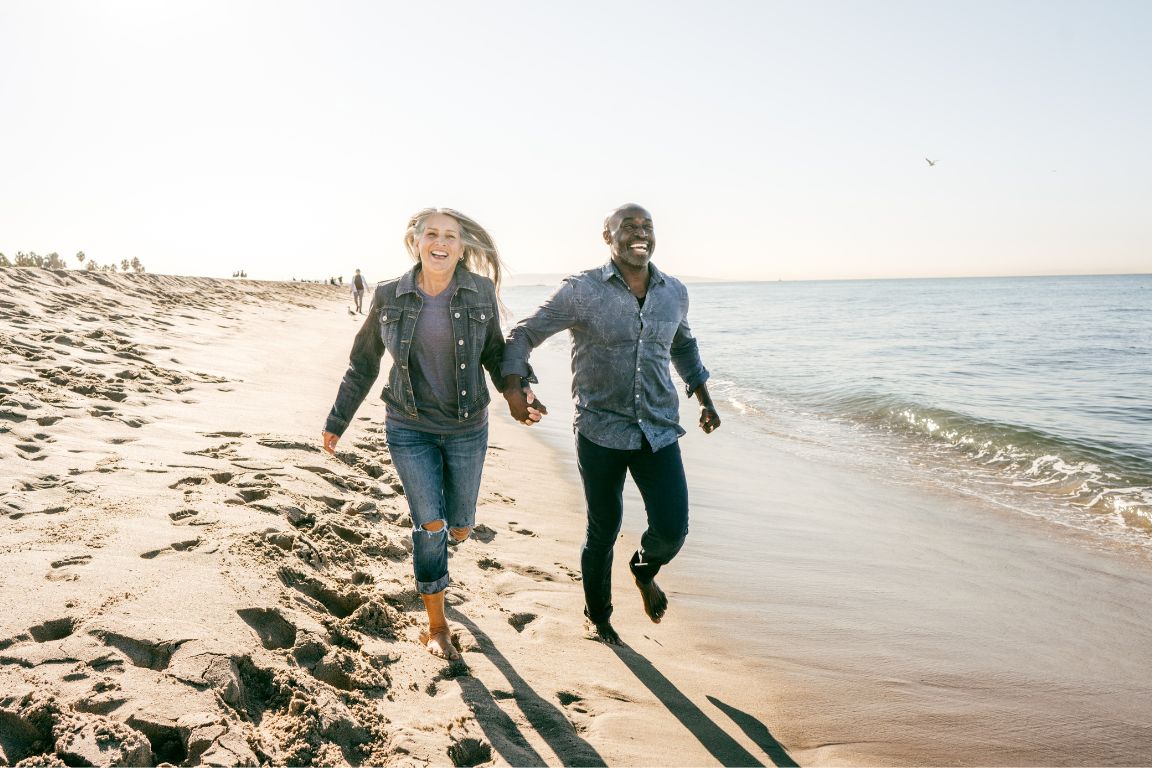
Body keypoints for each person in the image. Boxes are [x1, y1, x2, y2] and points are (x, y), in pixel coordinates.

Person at [321, 207, 542, 661]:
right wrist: (336, 422)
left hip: (467, 427)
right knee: (429, 524)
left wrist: (519, 390)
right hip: (409, 427)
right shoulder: (389, 295)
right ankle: (437, 625)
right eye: (432, 234)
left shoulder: (479, 291)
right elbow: (363, 364)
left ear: (462, 247)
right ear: (416, 242)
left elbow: (495, 355)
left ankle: (455, 533)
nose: (441, 242)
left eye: (451, 236)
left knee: (460, 526)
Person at [502, 203, 721, 645]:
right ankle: (599, 617)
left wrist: (704, 397)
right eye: (628, 226)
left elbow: (683, 344)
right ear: (608, 236)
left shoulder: (673, 292)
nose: (639, 234)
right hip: (599, 431)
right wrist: (515, 386)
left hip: (658, 430)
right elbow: (524, 333)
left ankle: (644, 571)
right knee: (603, 527)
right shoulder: (582, 291)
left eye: (647, 226)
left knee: (672, 529)